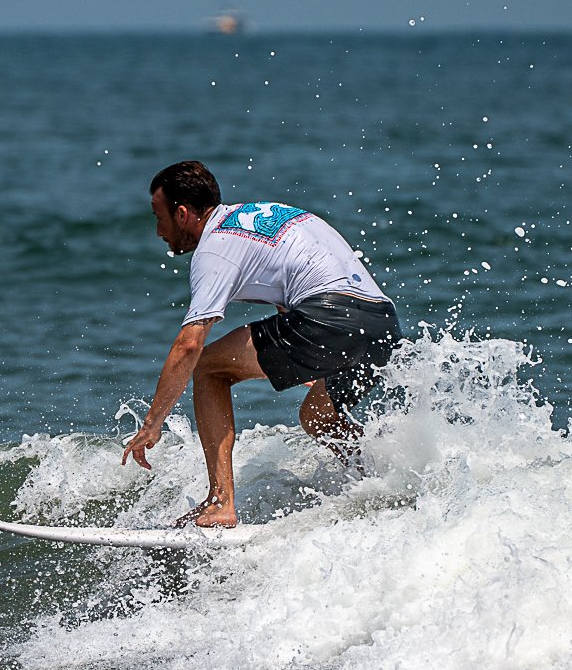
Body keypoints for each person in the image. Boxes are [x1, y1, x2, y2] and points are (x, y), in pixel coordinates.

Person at [121, 160, 400, 526]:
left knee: (208, 367)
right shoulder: (261, 218)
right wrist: (314, 364)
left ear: (183, 213)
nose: (158, 231)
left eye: (159, 217)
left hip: (329, 319)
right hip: (382, 324)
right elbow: (295, 286)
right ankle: (382, 486)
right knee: (319, 417)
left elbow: (188, 346)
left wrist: (153, 424)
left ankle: (220, 503)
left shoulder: (214, 250)